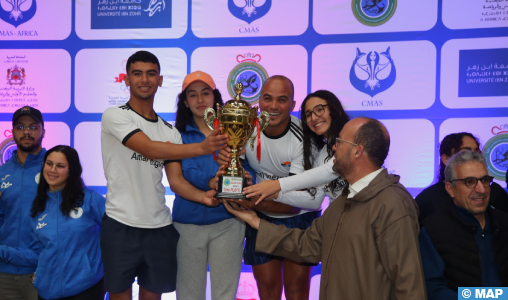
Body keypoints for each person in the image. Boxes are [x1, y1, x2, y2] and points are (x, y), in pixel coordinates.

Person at [223, 117, 427, 300]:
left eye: (340, 142)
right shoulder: (343, 201)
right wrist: (252, 219)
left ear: (358, 150)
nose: (334, 148)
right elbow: (307, 245)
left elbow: (409, 285)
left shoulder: (393, 204)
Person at [100, 51, 228, 300]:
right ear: (126, 79)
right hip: (120, 225)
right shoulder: (114, 116)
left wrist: (204, 198)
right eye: (137, 74)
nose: (144, 79)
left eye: (151, 73)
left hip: (159, 227)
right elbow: (148, 147)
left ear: (160, 80)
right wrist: (203, 147)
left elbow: (177, 181)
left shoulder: (169, 131)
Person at [170, 71, 248, 300]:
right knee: (188, 295)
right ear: (185, 102)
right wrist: (211, 181)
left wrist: (247, 179)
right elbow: (185, 172)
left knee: (225, 294)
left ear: (215, 97)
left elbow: (247, 164)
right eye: (192, 95)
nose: (200, 100)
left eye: (205, 93)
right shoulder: (177, 136)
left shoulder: (234, 130)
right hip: (187, 225)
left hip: (228, 221)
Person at [0, 145, 107, 300]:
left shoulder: (90, 199)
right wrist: (2, 251)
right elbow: (37, 255)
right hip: (47, 293)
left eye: (60, 166)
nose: (52, 170)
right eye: (49, 164)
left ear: (71, 171)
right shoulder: (38, 208)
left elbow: (116, 234)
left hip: (86, 288)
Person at [419, 150, 508, 299]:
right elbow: (433, 290)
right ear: (450, 189)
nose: (481, 190)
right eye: (470, 182)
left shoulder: (504, 223)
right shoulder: (432, 230)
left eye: (485, 180)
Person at [242, 90, 349, 208]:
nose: (314, 117)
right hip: (341, 220)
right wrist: (275, 194)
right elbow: (315, 200)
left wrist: (276, 185)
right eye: (308, 114)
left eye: (319, 109)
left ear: (334, 109)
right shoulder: (321, 152)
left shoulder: (354, 135)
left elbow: (328, 171)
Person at [0, 106, 45, 300]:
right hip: (4, 273)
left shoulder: (56, 169)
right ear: (12, 131)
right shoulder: (2, 172)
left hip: (43, 272)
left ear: (43, 130)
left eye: (33, 127)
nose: (27, 132)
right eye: (20, 127)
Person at [415, 132, 508, 225]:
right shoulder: (427, 199)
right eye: (465, 152)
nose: (473, 157)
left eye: (477, 152)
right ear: (446, 159)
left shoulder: (495, 192)